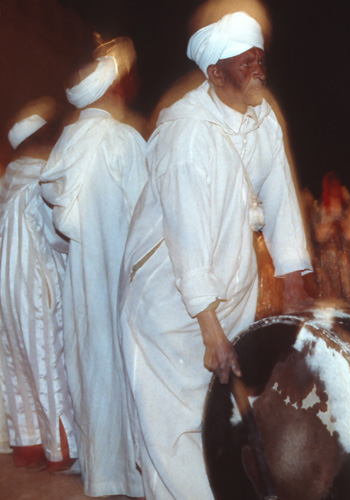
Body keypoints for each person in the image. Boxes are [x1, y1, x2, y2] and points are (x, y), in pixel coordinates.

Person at [118, 11, 312, 499]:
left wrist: (293, 279)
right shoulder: (187, 135)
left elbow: (282, 197)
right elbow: (185, 240)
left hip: (230, 286)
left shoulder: (262, 117)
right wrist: (210, 330)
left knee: (214, 412)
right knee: (172, 421)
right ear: (214, 74)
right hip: (172, 296)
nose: (259, 72)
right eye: (246, 63)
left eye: (260, 60)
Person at [39, 38, 146, 497]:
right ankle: (135, 472)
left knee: (91, 363)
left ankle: (102, 473)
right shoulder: (123, 141)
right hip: (127, 279)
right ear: (114, 89)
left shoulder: (64, 146)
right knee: (128, 366)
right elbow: (149, 215)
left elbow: (52, 234)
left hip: (83, 280)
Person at [0, 100, 77, 473]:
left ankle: (28, 443)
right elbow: (60, 234)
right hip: (38, 282)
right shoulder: (41, 178)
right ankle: (61, 449)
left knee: (17, 360)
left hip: (8, 285)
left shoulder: (10, 176)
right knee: (50, 360)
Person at [313, 171, 350, 302]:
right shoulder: (319, 207)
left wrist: (342, 226)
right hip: (326, 261)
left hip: (346, 258)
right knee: (329, 298)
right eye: (330, 185)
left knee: (348, 295)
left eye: (336, 184)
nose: (333, 188)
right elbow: (317, 235)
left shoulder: (349, 207)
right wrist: (331, 226)